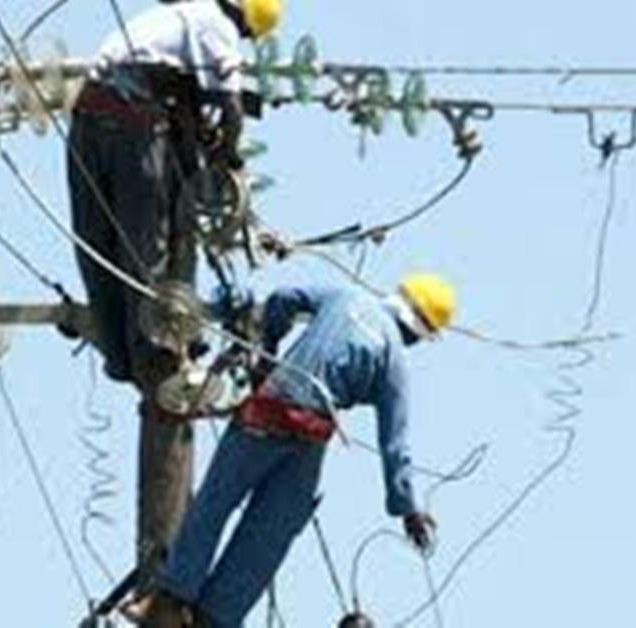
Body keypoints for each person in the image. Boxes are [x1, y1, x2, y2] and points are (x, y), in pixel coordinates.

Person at [68, 0, 283, 592]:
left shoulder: (174, 16)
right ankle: (153, 351)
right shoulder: (216, 28)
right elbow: (230, 104)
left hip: (88, 113)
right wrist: (228, 149)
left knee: (99, 248)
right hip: (135, 122)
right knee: (150, 260)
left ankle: (123, 355)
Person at [126, 273, 457, 627]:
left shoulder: (345, 296)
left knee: (216, 502)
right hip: (309, 438)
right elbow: (395, 441)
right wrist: (408, 509)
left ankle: (170, 603)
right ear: (419, 332)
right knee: (270, 534)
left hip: (269, 410)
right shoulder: (394, 360)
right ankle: (213, 619)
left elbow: (284, 296)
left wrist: (269, 346)